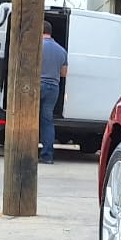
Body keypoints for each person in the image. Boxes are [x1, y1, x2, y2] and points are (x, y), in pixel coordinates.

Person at [39, 21, 69, 164]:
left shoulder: (36, 47)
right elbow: (64, 73)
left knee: (30, 119)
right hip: (53, 87)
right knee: (47, 121)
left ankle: (27, 152)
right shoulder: (61, 50)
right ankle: (47, 156)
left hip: (37, 85)